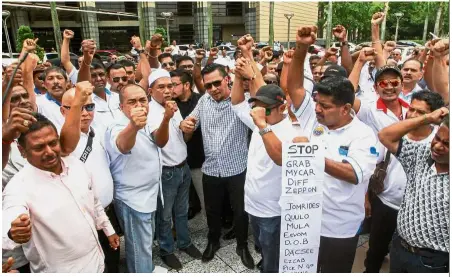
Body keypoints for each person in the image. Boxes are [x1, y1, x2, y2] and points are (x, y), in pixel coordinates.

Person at [287, 25, 378, 273]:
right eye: (317, 103)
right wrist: (301, 48)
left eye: (325, 106)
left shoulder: (363, 134)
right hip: (305, 220)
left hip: (338, 228)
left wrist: (312, 155)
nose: (317, 110)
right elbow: (294, 87)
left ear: (346, 109)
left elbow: (353, 174)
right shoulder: (313, 119)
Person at [2, 113, 120, 273]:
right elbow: (9, 222)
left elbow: (94, 201)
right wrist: (13, 233)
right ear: (22, 151)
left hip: (98, 263)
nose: (49, 152)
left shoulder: (76, 165)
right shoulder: (18, 187)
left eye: (53, 143)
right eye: (39, 147)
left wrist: (108, 229)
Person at [179, 63, 254, 269]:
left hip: (237, 167)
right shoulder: (203, 101)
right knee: (211, 210)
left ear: (227, 79)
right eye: (208, 85)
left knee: (240, 211)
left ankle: (242, 245)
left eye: (216, 83)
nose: (213, 89)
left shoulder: (241, 101)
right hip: (211, 168)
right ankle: (213, 241)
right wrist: (186, 124)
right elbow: (190, 122)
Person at [363, 90, 445, 273]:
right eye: (411, 109)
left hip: (417, 216)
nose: (413, 115)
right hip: (385, 204)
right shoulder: (397, 133)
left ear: (432, 116)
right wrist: (367, 197)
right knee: (375, 250)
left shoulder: (439, 142)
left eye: (421, 113)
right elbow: (375, 163)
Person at [232, 53, 298, 272]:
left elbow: (280, 157)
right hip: (252, 205)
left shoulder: (291, 132)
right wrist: (236, 76)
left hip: (274, 211)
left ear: (283, 108)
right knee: (262, 247)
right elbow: (236, 103)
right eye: (257, 108)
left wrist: (261, 125)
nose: (260, 113)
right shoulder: (260, 121)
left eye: (266, 109)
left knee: (273, 257)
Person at [59, 81, 120, 273]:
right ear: (63, 111)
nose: (85, 113)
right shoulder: (61, 138)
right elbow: (67, 147)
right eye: (78, 107)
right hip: (83, 217)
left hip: (107, 212)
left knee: (113, 260)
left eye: (90, 107)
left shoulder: (99, 129)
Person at [104, 83, 164, 273]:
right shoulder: (116, 126)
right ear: (121, 107)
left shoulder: (147, 120)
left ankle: (147, 269)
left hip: (149, 193)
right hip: (133, 199)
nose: (138, 105)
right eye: (132, 102)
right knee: (139, 247)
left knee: (146, 242)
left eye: (142, 100)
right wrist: (133, 126)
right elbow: (122, 145)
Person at [146, 69, 202, 270]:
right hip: (166, 171)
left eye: (170, 86)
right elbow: (159, 142)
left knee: (182, 210)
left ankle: (184, 243)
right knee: (165, 215)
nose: (167, 90)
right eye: (161, 87)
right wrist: (167, 117)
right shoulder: (151, 111)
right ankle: (167, 250)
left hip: (183, 166)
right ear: (151, 90)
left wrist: (188, 129)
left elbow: (183, 138)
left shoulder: (173, 106)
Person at [170, 69, 205, 217]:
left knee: (205, 198)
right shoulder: (170, 106)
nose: (170, 89)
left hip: (199, 159)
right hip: (178, 161)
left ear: (186, 85)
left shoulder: (202, 100)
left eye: (173, 85)